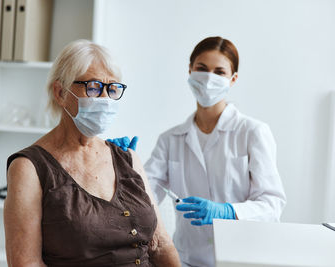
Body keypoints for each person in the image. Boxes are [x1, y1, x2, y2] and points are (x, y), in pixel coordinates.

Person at [110, 36, 286, 267]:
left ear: (232, 79)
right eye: (202, 69)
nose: (209, 78)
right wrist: (125, 167)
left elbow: (272, 204)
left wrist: (227, 211)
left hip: (242, 259)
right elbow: (144, 196)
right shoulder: (171, 139)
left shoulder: (252, 132)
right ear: (190, 70)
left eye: (219, 72)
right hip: (186, 260)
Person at [3, 39, 181, 267]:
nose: (105, 99)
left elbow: (161, 244)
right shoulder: (29, 168)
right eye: (94, 87)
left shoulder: (127, 158)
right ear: (60, 92)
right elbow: (25, 263)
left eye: (113, 88)